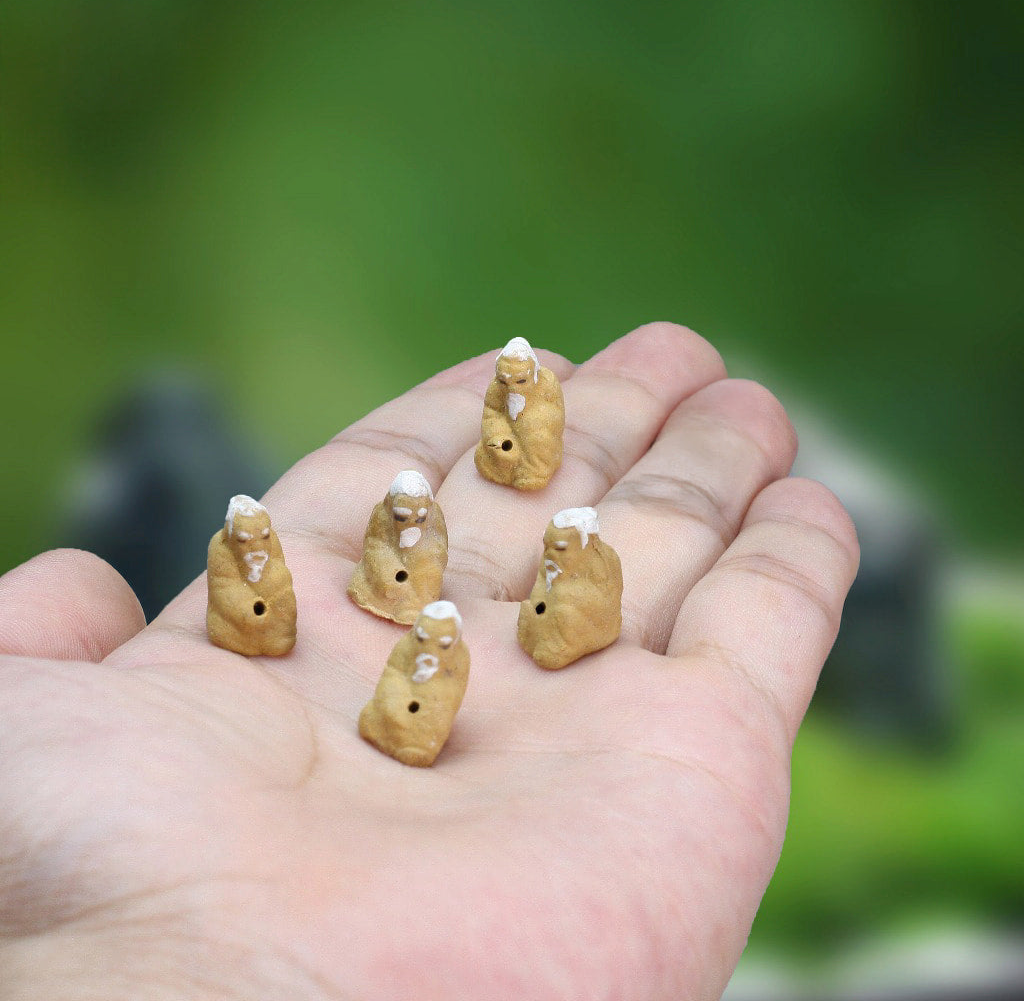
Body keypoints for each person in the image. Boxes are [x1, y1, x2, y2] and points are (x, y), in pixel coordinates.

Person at [0, 323, 858, 999]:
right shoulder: (257, 556)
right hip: (368, 619)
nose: (516, 391)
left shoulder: (546, 556)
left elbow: (510, 481)